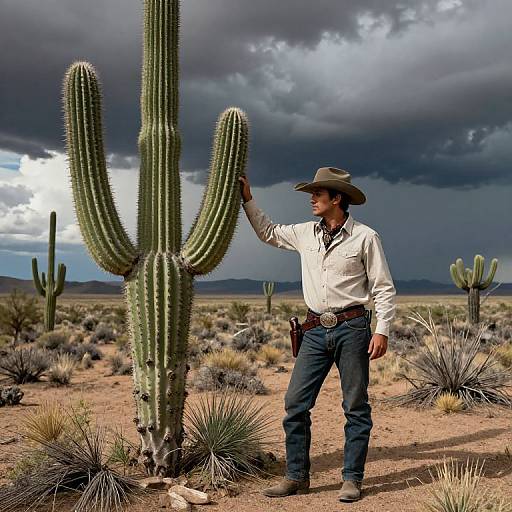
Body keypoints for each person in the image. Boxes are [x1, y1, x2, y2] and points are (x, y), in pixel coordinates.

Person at [238, 167, 396, 503]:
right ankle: (297, 477)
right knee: (295, 403)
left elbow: (383, 288)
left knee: (355, 406)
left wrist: (381, 331)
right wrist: (248, 198)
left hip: (353, 329)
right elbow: (268, 232)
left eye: (318, 194)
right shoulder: (304, 233)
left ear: (336, 199)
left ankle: (351, 479)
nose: (312, 200)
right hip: (313, 330)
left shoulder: (366, 237)